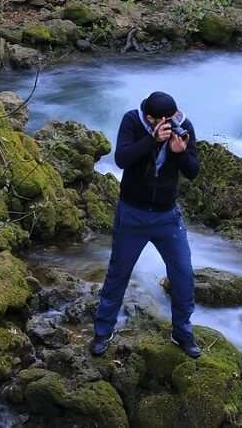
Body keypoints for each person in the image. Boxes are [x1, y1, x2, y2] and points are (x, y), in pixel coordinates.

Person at [89, 91, 201, 358]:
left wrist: (180, 153)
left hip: (167, 216)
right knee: (118, 274)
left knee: (183, 275)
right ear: (150, 118)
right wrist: (151, 141)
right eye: (160, 121)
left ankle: (182, 333)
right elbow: (122, 159)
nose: (168, 124)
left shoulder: (184, 126)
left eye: (171, 118)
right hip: (132, 213)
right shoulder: (132, 121)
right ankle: (103, 332)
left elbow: (193, 171)